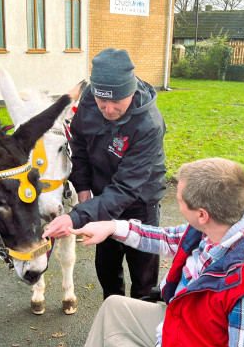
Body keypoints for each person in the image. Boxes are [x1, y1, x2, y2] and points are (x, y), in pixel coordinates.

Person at [31, 158, 244, 347]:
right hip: (192, 325)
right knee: (114, 307)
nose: (176, 203)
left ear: (201, 214)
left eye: (179, 201)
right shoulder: (225, 223)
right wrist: (112, 227)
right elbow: (169, 238)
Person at [43, 48, 167, 300]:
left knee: (143, 278)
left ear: (131, 92)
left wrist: (75, 217)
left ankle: (139, 331)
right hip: (100, 197)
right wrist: (83, 187)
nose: (108, 109)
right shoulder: (90, 100)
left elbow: (125, 188)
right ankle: (114, 318)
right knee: (107, 270)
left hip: (139, 203)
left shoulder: (148, 125)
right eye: (102, 101)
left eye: (116, 102)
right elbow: (78, 143)